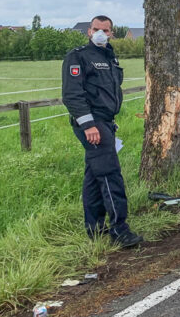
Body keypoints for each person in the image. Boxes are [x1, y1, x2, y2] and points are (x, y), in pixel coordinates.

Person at [61, 15, 143, 248]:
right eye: (96, 29)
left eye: (105, 30)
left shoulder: (110, 57)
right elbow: (72, 95)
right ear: (89, 31)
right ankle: (120, 228)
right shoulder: (77, 57)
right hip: (91, 123)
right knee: (109, 173)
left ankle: (95, 228)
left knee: (94, 176)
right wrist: (88, 125)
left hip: (106, 122)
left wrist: (107, 123)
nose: (100, 33)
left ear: (111, 33)